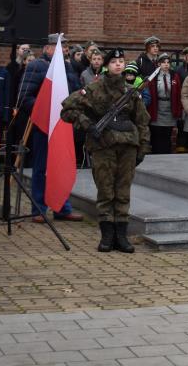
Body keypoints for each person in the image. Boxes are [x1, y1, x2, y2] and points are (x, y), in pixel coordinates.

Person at [60, 49, 149, 253]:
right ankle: (107, 235)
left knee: (123, 191)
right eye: (114, 61)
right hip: (103, 146)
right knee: (106, 191)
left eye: (121, 61)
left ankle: (121, 235)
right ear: (106, 65)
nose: (118, 64)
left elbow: (142, 121)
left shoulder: (131, 91)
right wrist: (87, 124)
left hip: (128, 146)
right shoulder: (93, 88)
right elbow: (67, 109)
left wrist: (143, 147)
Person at [14, 34, 84, 223]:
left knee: (62, 165)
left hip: (64, 125)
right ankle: (39, 208)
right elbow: (24, 97)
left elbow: (76, 94)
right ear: (47, 48)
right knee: (42, 168)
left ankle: (62, 207)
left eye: (66, 47)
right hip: (43, 126)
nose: (64, 50)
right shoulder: (37, 66)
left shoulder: (68, 67)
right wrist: (48, 110)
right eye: (59, 46)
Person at [146, 52, 181, 155]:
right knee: (156, 133)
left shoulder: (174, 76)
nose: (166, 64)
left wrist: (178, 110)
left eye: (168, 62)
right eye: (163, 62)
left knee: (167, 134)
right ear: (159, 64)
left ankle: (166, 154)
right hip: (157, 107)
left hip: (169, 107)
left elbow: (178, 93)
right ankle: (156, 153)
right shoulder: (154, 76)